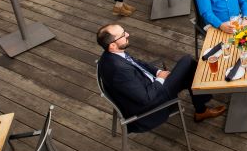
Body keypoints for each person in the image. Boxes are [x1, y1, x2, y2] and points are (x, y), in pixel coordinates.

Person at [96, 23, 226, 129]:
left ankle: (201, 109)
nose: (128, 34)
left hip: (150, 86)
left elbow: (138, 63)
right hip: (151, 104)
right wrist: (160, 79)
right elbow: (145, 98)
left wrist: (158, 73)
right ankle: (201, 108)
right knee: (187, 61)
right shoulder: (119, 70)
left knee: (190, 72)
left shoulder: (112, 54)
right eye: (123, 35)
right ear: (112, 45)